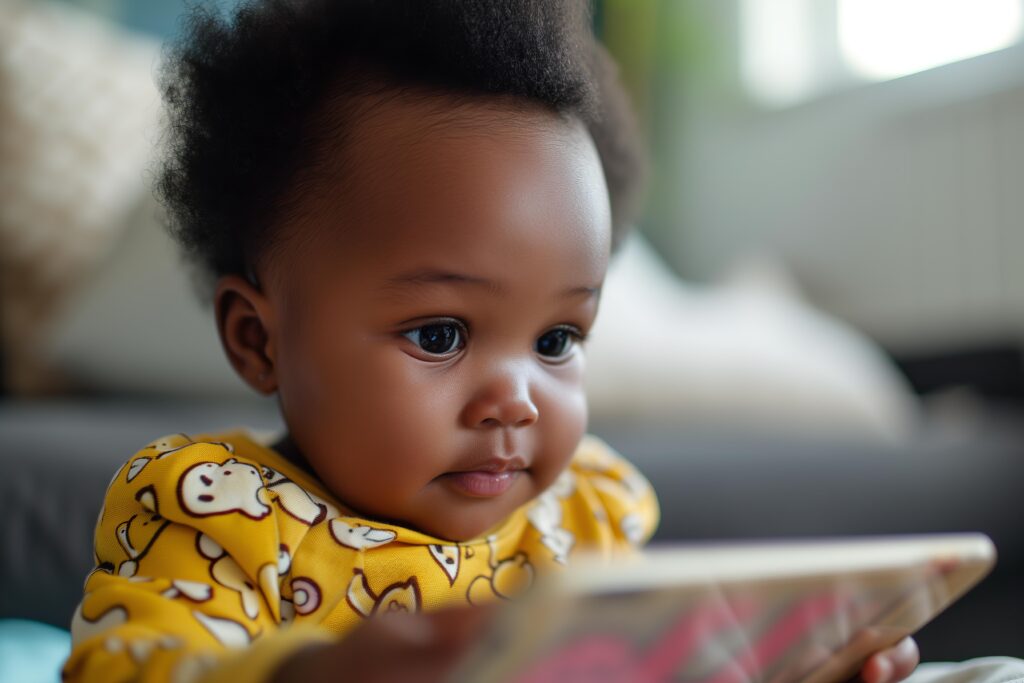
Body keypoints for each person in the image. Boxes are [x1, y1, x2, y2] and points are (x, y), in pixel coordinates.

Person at [62, 1, 924, 681]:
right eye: (441, 334)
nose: (516, 396)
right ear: (258, 340)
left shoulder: (580, 514)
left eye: (557, 338)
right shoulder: (220, 514)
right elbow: (119, 666)